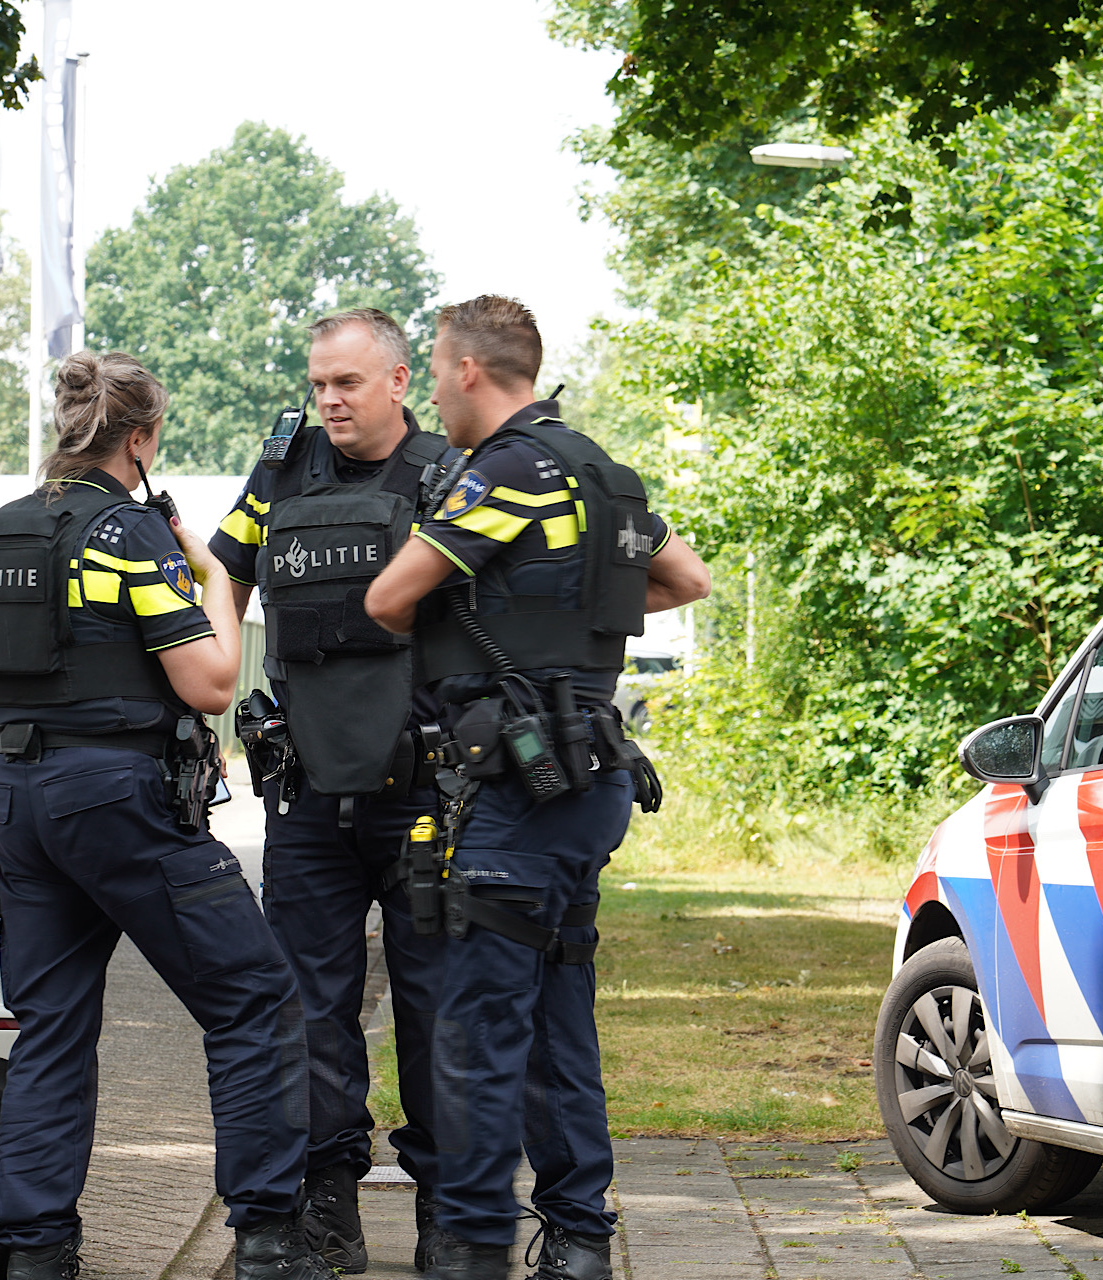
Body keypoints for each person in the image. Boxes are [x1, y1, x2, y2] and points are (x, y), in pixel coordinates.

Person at [0, 350, 332, 1280]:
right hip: (122, 802)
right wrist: (216, 575)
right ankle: (268, 1240)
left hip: (21, 803)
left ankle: (35, 1255)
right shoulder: (130, 536)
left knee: (52, 1027)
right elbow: (213, 682)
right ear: (142, 439)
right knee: (255, 999)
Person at [364, 297, 713, 1280]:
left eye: (435, 369)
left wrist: (493, 595)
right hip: (588, 774)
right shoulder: (606, 470)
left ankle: (474, 1246)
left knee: (479, 1023)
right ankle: (578, 1238)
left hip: (517, 790)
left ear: (470, 370)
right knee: (560, 1013)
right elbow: (685, 576)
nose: (433, 387)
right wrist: (562, 601)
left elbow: (389, 598)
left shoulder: (509, 471)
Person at [209, 308, 450, 1272]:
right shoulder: (281, 473)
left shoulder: (445, 474)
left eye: (347, 383)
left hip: (427, 790)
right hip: (307, 793)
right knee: (310, 1009)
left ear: (399, 381)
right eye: (318, 384)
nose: (329, 401)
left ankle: (449, 1214)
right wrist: (230, 679)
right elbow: (219, 571)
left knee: (438, 1008)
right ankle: (326, 1211)